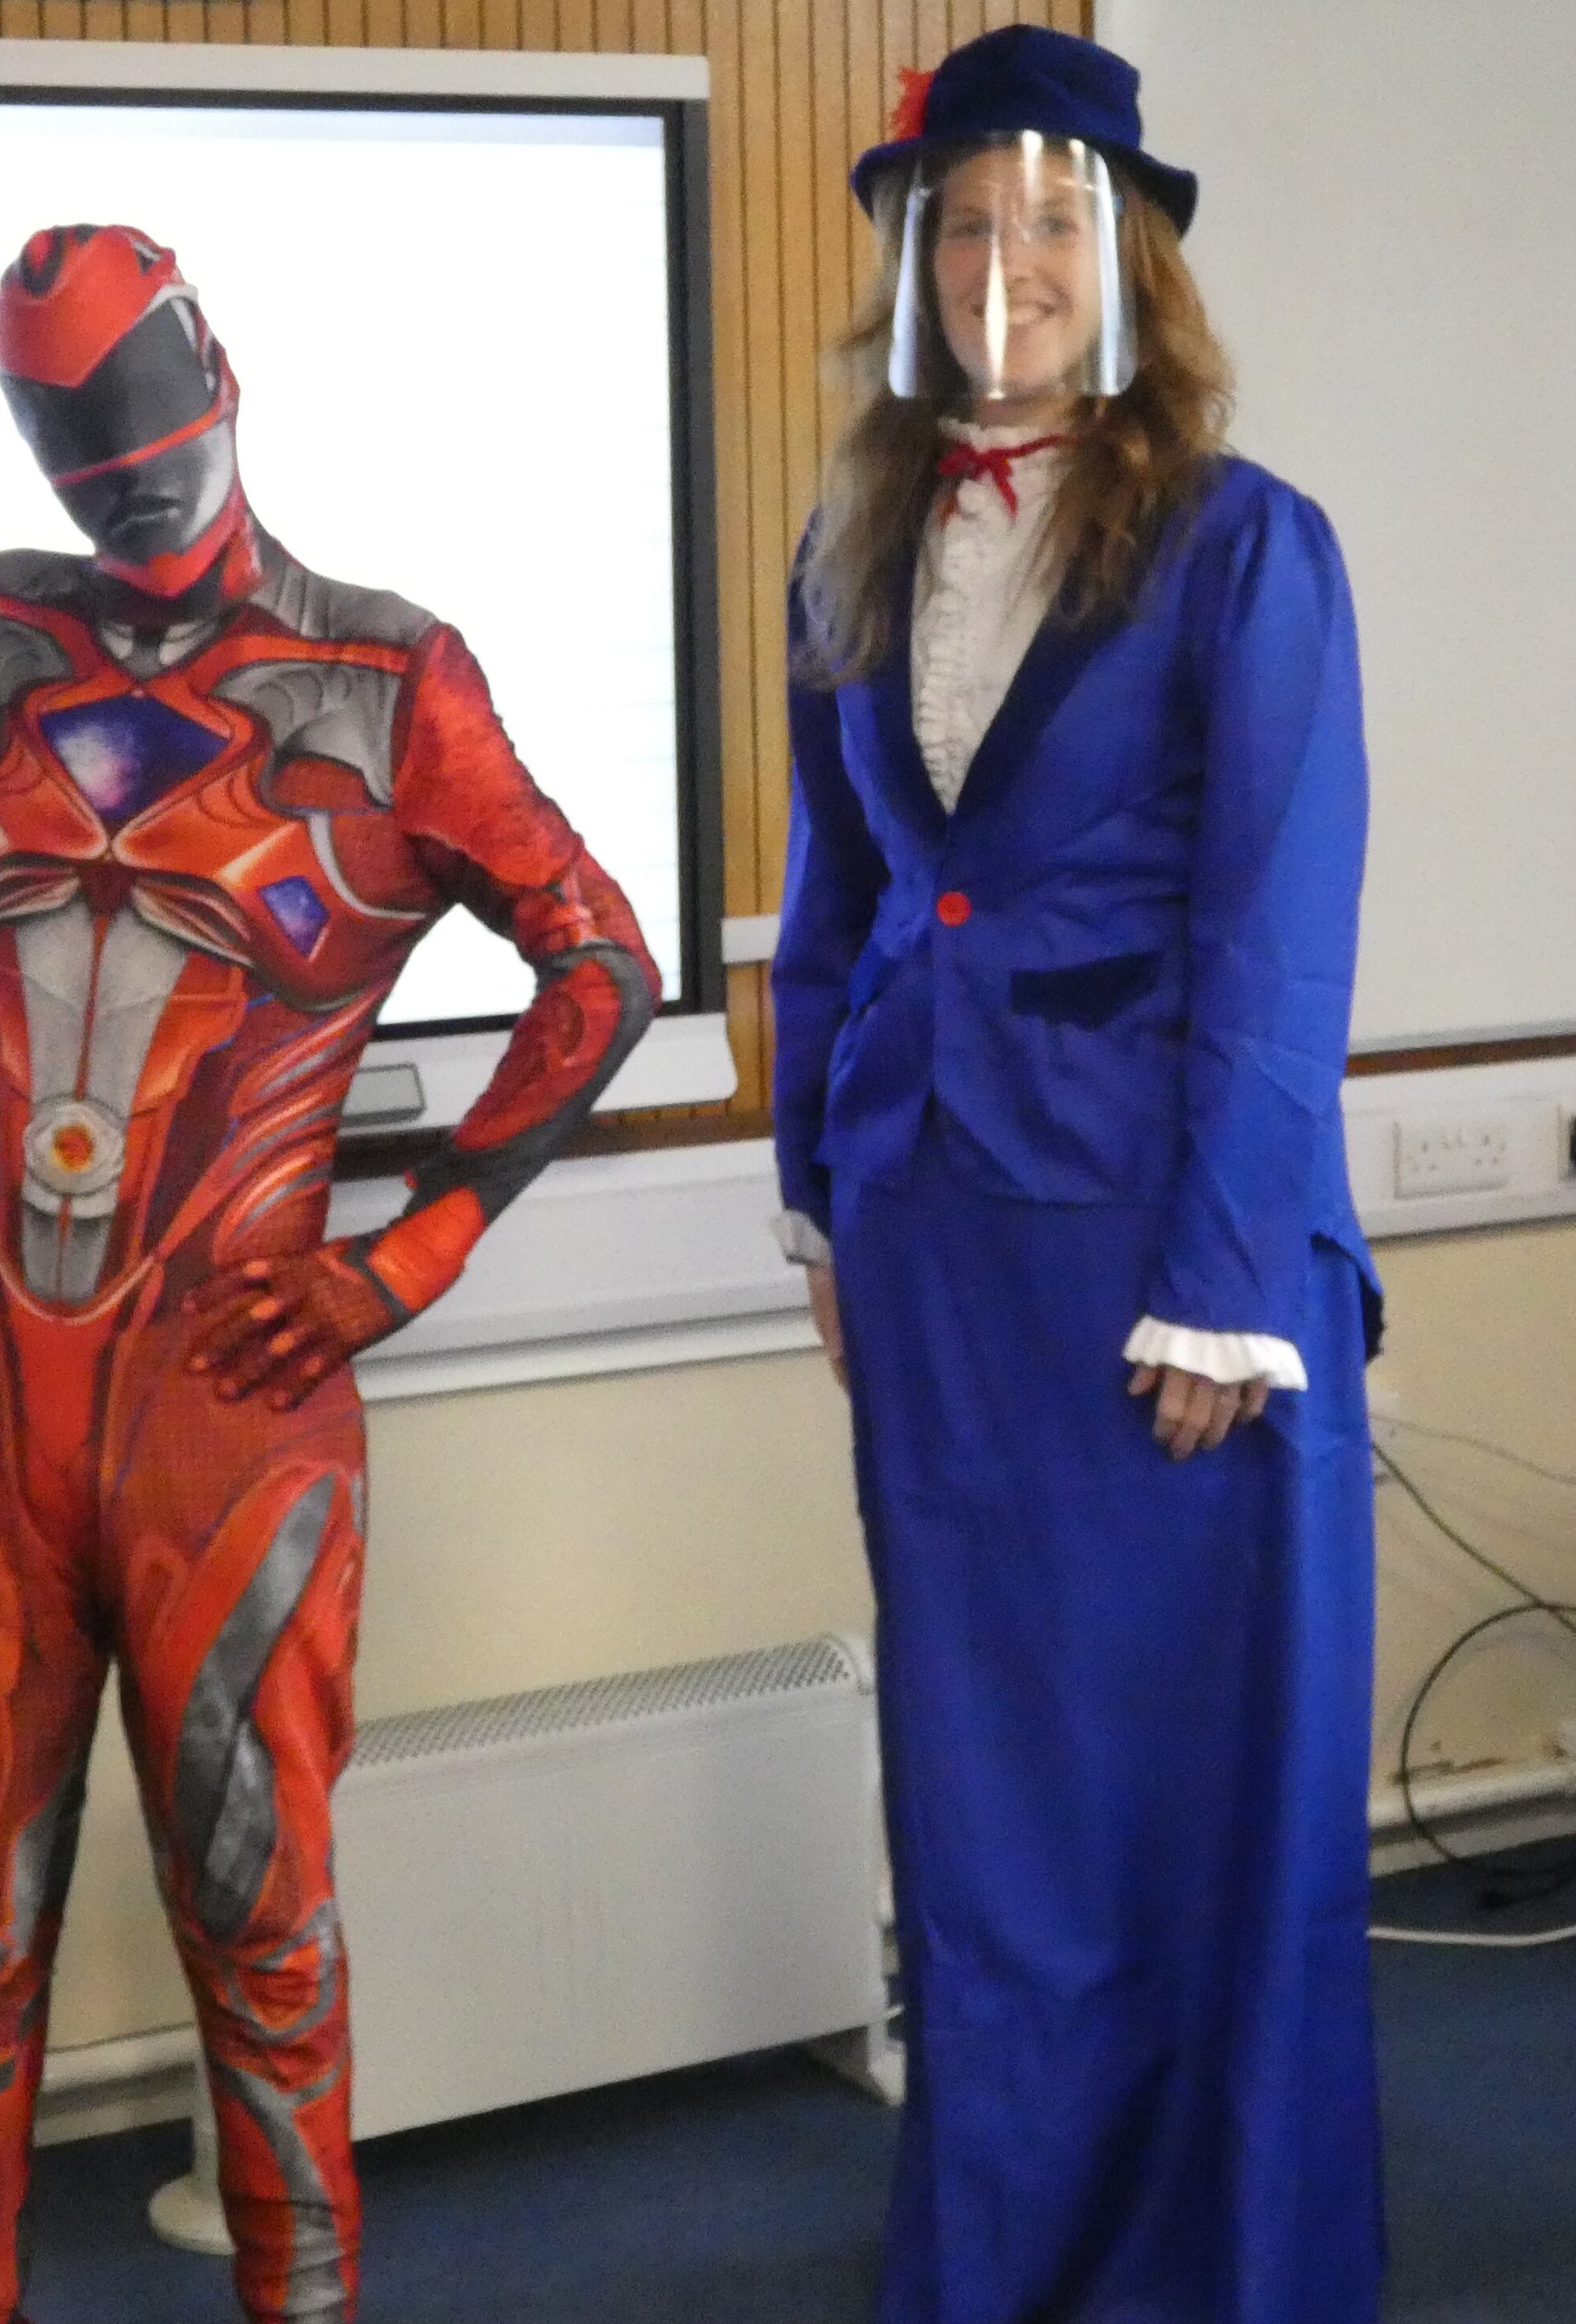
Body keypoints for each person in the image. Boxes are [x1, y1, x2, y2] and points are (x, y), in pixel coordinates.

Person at [0, 222, 658, 2324]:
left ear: (223, 370)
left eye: (150, 414)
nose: (127, 470)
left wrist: (400, 1262)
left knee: (263, 1936)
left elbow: (601, 967)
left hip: (228, 1415)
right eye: (75, 441)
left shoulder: (383, 674)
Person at [771, 26, 1384, 2323]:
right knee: (986, 1826)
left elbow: (1274, 923)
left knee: (1184, 1818)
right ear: (912, 261)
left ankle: (1206, 2275)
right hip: (937, 1254)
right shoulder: (853, 538)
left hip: (1163, 1263)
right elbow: (835, 911)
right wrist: (822, 1193)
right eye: (960, 222)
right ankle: (1007, 2269)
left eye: (1048, 220)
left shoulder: (1247, 548)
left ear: (1124, 263)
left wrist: (1227, 1272)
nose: (999, 262)